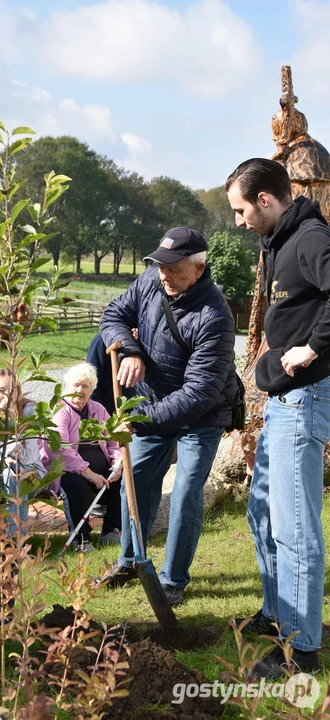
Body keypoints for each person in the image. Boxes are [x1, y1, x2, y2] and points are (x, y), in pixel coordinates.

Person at [226, 158, 330, 678]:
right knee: (262, 513)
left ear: (265, 199)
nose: (239, 221)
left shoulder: (310, 237)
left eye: (241, 210)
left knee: (294, 529)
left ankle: (301, 651)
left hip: (304, 397)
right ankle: (276, 613)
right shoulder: (280, 242)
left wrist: (312, 347)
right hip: (282, 401)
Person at [99, 227, 237, 605]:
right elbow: (113, 314)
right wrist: (131, 349)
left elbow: (197, 394)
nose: (164, 274)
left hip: (201, 416)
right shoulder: (150, 280)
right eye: (160, 265)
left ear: (198, 268)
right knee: (135, 480)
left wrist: (139, 418)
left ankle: (173, 579)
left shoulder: (216, 316)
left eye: (174, 269)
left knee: (187, 491)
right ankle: (130, 560)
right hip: (152, 403)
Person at [40, 363, 122, 552]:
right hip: (66, 470)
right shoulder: (60, 411)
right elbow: (59, 448)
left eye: (85, 386)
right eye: (76, 385)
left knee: (122, 481)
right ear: (67, 386)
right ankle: (82, 540)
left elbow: (112, 441)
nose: (79, 390)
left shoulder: (98, 409)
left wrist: (117, 463)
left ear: (92, 389)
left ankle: (111, 531)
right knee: (77, 487)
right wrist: (89, 474)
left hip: (100, 470)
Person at [0, 367, 49, 535]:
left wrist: (14, 422)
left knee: (13, 477)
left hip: (32, 473)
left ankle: (15, 542)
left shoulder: (29, 412)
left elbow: (27, 457)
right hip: (0, 471)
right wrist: (3, 461)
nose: (6, 395)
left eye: (12, 391)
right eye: (1, 390)